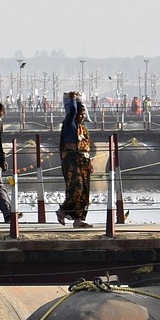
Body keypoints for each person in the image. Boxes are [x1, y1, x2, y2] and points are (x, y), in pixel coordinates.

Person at [57, 92, 91, 227]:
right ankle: (63, 210)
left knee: (85, 191)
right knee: (76, 187)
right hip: (71, 159)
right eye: (80, 114)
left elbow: (87, 147)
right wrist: (72, 99)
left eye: (83, 114)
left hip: (84, 161)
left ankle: (79, 219)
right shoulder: (69, 124)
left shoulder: (84, 129)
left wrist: (90, 162)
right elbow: (72, 111)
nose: (81, 117)